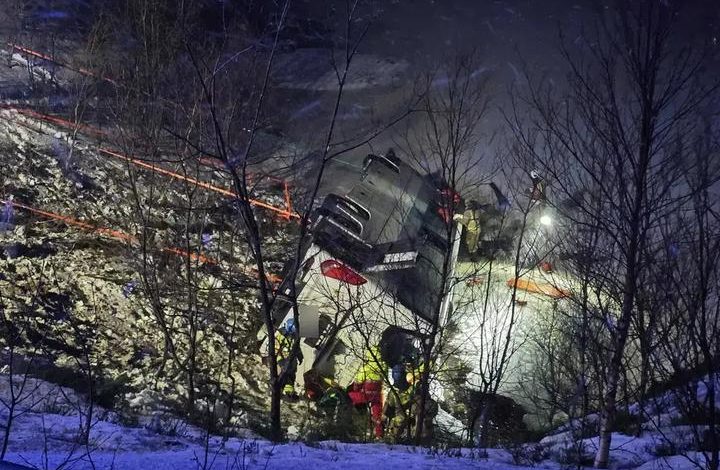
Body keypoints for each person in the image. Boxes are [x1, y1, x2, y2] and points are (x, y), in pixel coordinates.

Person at [347, 346, 387, 438]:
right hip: (377, 396)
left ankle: (348, 422)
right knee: (377, 416)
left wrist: (355, 390)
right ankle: (379, 435)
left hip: (365, 395)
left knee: (348, 396)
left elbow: (357, 384)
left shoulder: (366, 368)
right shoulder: (383, 367)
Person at [275, 318, 301, 401]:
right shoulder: (280, 335)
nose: (293, 334)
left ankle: (289, 393)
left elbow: (296, 346)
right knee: (285, 375)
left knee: (292, 375)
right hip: (284, 359)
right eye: (292, 332)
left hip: (292, 359)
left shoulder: (293, 335)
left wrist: (300, 355)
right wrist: (280, 360)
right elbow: (276, 348)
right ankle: (281, 392)